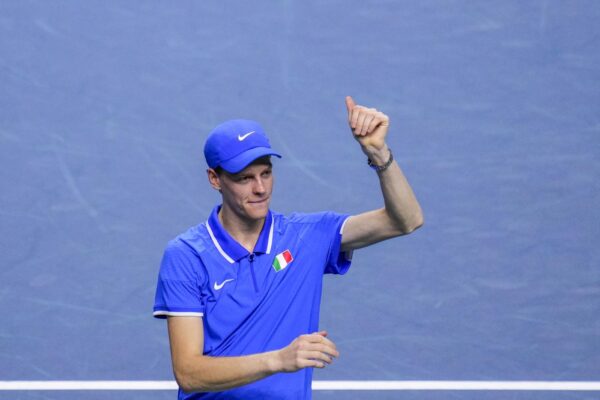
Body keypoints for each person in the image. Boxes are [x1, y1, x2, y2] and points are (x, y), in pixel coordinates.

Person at [153, 96, 423, 400]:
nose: (260, 188)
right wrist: (279, 359)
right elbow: (189, 373)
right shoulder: (186, 256)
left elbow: (405, 220)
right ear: (215, 179)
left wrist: (378, 152)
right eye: (244, 178)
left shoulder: (306, 237)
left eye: (266, 173)